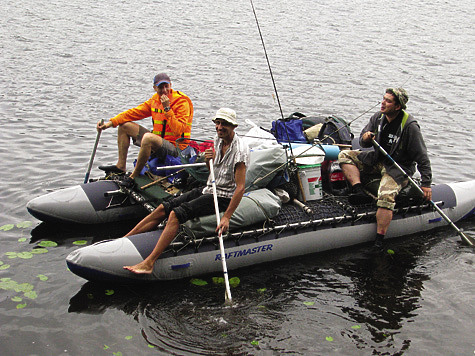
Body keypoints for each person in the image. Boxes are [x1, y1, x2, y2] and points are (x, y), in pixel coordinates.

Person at [123, 108, 249, 274]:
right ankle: (125, 240)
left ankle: (149, 263)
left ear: (233, 126)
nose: (219, 127)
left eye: (224, 124)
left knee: (176, 214)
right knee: (163, 207)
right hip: (209, 188)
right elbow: (213, 170)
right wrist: (208, 160)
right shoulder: (218, 140)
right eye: (217, 123)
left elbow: (240, 187)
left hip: (223, 197)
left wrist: (226, 217)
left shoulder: (239, 150)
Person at [338, 88, 432, 248]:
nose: (383, 103)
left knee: (386, 196)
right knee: (344, 155)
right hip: (377, 159)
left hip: (397, 167)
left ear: (397, 107)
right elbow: (362, 141)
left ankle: (379, 239)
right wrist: (366, 138)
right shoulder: (378, 117)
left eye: (388, 101)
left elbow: (422, 156)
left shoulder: (410, 127)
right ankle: (359, 190)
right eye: (383, 99)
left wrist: (426, 183)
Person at [96, 73, 193, 181]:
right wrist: (110, 123)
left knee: (148, 138)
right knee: (124, 126)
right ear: (155, 88)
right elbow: (133, 113)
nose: (164, 90)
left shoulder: (181, 102)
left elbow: (178, 131)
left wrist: (167, 109)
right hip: (159, 142)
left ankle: (134, 176)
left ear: (171, 85)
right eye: (161, 87)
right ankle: (120, 167)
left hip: (177, 148)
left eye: (167, 86)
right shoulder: (155, 100)